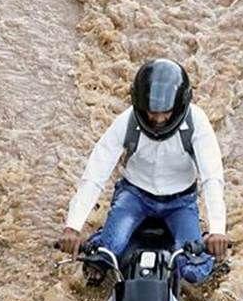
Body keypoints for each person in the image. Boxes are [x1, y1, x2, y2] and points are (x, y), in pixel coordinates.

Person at [59, 58, 228, 284]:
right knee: (103, 257)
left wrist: (217, 230)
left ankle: (204, 241)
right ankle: (103, 238)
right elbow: (95, 174)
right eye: (152, 112)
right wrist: (73, 226)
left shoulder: (197, 122)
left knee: (195, 273)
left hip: (180, 203)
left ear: (180, 104)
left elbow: (212, 178)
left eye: (166, 112)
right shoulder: (125, 122)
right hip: (134, 197)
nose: (158, 120)